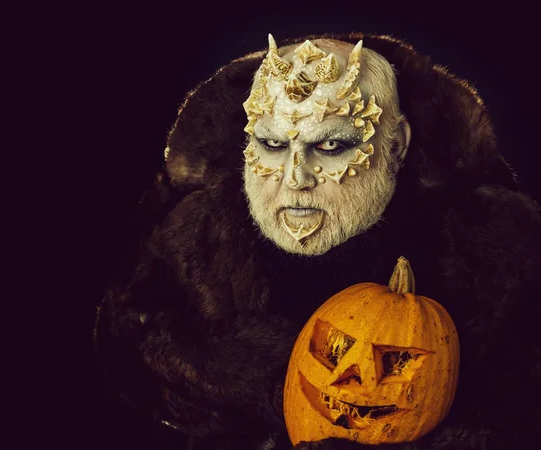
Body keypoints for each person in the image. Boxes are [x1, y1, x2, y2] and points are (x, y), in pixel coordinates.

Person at [94, 33, 541, 449]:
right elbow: (130, 336)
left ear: (397, 146)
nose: (295, 179)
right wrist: (253, 377)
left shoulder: (491, 246)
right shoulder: (197, 228)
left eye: (329, 147)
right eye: (271, 144)